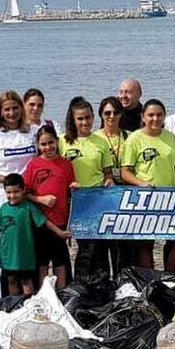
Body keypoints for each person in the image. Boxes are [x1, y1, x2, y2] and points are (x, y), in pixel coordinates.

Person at [118, 100, 175, 269]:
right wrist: (142, 183)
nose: (155, 118)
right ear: (143, 117)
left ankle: (169, 275)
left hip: (169, 197)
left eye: (159, 115)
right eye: (151, 115)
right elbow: (125, 172)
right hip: (144, 197)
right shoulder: (134, 139)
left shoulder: (171, 138)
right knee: (145, 243)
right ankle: (149, 278)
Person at [62, 97, 117, 277]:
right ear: (73, 119)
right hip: (74, 201)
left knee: (99, 245)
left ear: (93, 117)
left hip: (97, 200)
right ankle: (81, 281)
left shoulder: (101, 142)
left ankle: (101, 282)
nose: (84, 122)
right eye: (80, 119)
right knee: (85, 246)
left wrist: (109, 181)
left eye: (87, 117)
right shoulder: (62, 141)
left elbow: (107, 172)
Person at [0, 173, 69, 296]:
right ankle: (14, 305)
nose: (12, 195)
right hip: (8, 256)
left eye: (16, 192)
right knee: (11, 280)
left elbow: (44, 222)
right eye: (9, 192)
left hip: (25, 255)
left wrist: (60, 232)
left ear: (23, 190)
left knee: (26, 280)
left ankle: (29, 305)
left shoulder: (29, 207)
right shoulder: (3, 208)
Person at [23, 125, 76, 288]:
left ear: (57, 141)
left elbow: (70, 190)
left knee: (60, 260)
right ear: (38, 146)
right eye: (43, 144)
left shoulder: (66, 165)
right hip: (40, 221)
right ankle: (43, 294)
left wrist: (75, 186)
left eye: (51, 143)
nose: (48, 147)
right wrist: (40, 199)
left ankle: (62, 293)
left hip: (60, 220)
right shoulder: (33, 165)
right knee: (42, 262)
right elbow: (25, 193)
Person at [0, 90, 38, 181]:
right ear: (1, 112)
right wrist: (9, 181)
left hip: (30, 187)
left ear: (22, 108)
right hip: (4, 189)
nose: (12, 113)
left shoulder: (34, 131)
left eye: (15, 108)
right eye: (7, 109)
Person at [95, 96, 128, 179]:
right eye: (107, 113)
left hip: (127, 184)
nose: (112, 116)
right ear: (101, 115)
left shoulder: (130, 136)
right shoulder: (94, 137)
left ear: (120, 114)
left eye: (116, 113)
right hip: (104, 184)